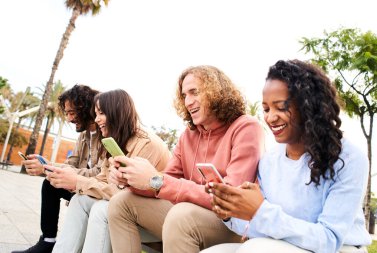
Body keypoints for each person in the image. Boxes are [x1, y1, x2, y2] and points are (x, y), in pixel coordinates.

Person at [202, 59, 372, 253]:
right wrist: (229, 214)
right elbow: (263, 226)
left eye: (281, 107)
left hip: (340, 249)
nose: (270, 117)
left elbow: (329, 239)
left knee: (255, 250)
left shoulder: (349, 159)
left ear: (308, 106)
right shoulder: (269, 161)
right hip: (285, 245)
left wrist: (260, 211)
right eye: (266, 109)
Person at [107, 65, 265, 253]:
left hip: (234, 225)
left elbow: (229, 197)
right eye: (184, 96)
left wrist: (157, 181)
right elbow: (163, 183)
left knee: (181, 216)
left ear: (216, 92)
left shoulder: (247, 127)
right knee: (121, 203)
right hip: (187, 216)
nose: (188, 102)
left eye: (194, 92)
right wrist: (132, 179)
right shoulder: (188, 136)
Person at [49, 89, 171, 253]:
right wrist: (74, 182)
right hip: (126, 206)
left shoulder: (148, 144)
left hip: (156, 219)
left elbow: (124, 195)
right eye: (95, 113)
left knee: (103, 210)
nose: (96, 119)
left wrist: (78, 181)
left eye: (101, 113)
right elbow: (103, 180)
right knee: (80, 200)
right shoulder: (115, 140)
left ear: (116, 112)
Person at [12, 84, 103, 253]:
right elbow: (72, 163)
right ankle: (47, 241)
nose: (68, 118)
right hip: (82, 184)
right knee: (50, 184)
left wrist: (47, 169)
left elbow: (99, 173)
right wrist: (47, 165)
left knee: (52, 180)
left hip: (97, 190)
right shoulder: (84, 134)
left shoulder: (105, 132)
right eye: (66, 113)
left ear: (85, 108)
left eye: (71, 112)